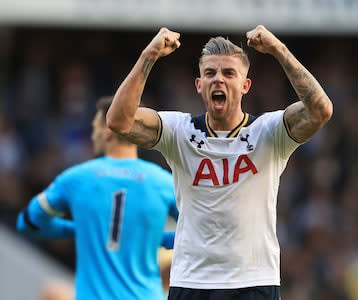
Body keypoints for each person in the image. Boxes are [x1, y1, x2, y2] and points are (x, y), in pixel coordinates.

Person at [107, 25, 333, 300]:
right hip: (192, 280)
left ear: (245, 85)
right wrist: (148, 55)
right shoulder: (179, 131)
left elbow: (321, 110)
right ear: (199, 85)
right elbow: (119, 121)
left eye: (229, 73)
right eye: (210, 73)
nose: (218, 80)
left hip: (254, 281)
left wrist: (278, 50)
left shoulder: (268, 132)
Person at [16, 96, 179, 300]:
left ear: (108, 131)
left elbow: (29, 222)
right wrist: (158, 238)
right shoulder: (164, 182)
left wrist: (76, 229)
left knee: (52, 292)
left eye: (94, 127)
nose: (93, 135)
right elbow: (194, 235)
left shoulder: (76, 178)